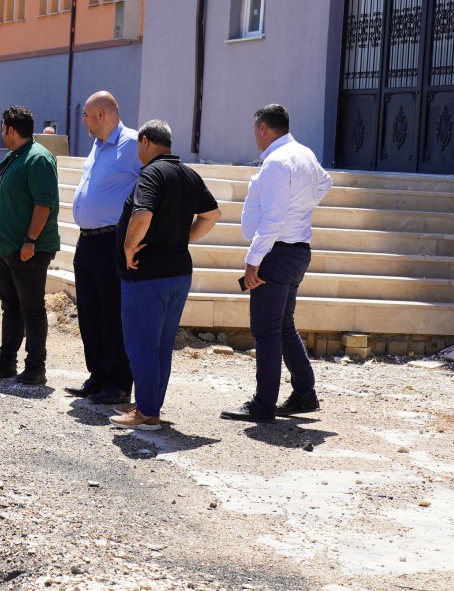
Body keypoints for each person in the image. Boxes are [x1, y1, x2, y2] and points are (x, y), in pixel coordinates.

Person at [221, 104, 333, 423]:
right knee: (282, 326)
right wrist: (302, 206)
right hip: (296, 251)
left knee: (267, 330)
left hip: (277, 252)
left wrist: (252, 261)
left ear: (263, 128)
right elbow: (325, 183)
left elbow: (273, 220)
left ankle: (264, 403)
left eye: (255, 129)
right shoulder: (304, 153)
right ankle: (304, 394)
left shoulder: (276, 161)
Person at [109, 121, 221, 430]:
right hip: (178, 272)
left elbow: (142, 215)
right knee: (159, 346)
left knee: (141, 346)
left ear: (145, 141)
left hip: (147, 275)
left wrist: (129, 247)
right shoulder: (188, 174)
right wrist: (184, 239)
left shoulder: (151, 174)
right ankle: (149, 404)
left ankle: (147, 413)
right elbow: (212, 215)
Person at [65, 91, 142, 405]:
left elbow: (153, 184)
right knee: (89, 312)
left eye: (85, 115)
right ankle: (97, 376)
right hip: (87, 240)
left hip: (113, 240)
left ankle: (119, 382)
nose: (83, 121)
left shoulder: (133, 144)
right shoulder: (97, 146)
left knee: (112, 313)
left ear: (101, 114)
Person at [0, 105, 61, 385]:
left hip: (27, 250)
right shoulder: (15, 157)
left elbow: (44, 204)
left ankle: (35, 367)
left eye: (3, 128)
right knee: (11, 307)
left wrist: (30, 241)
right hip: (6, 247)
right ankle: (6, 362)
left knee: (32, 309)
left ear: (11, 130)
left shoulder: (38, 159)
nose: (1, 133)